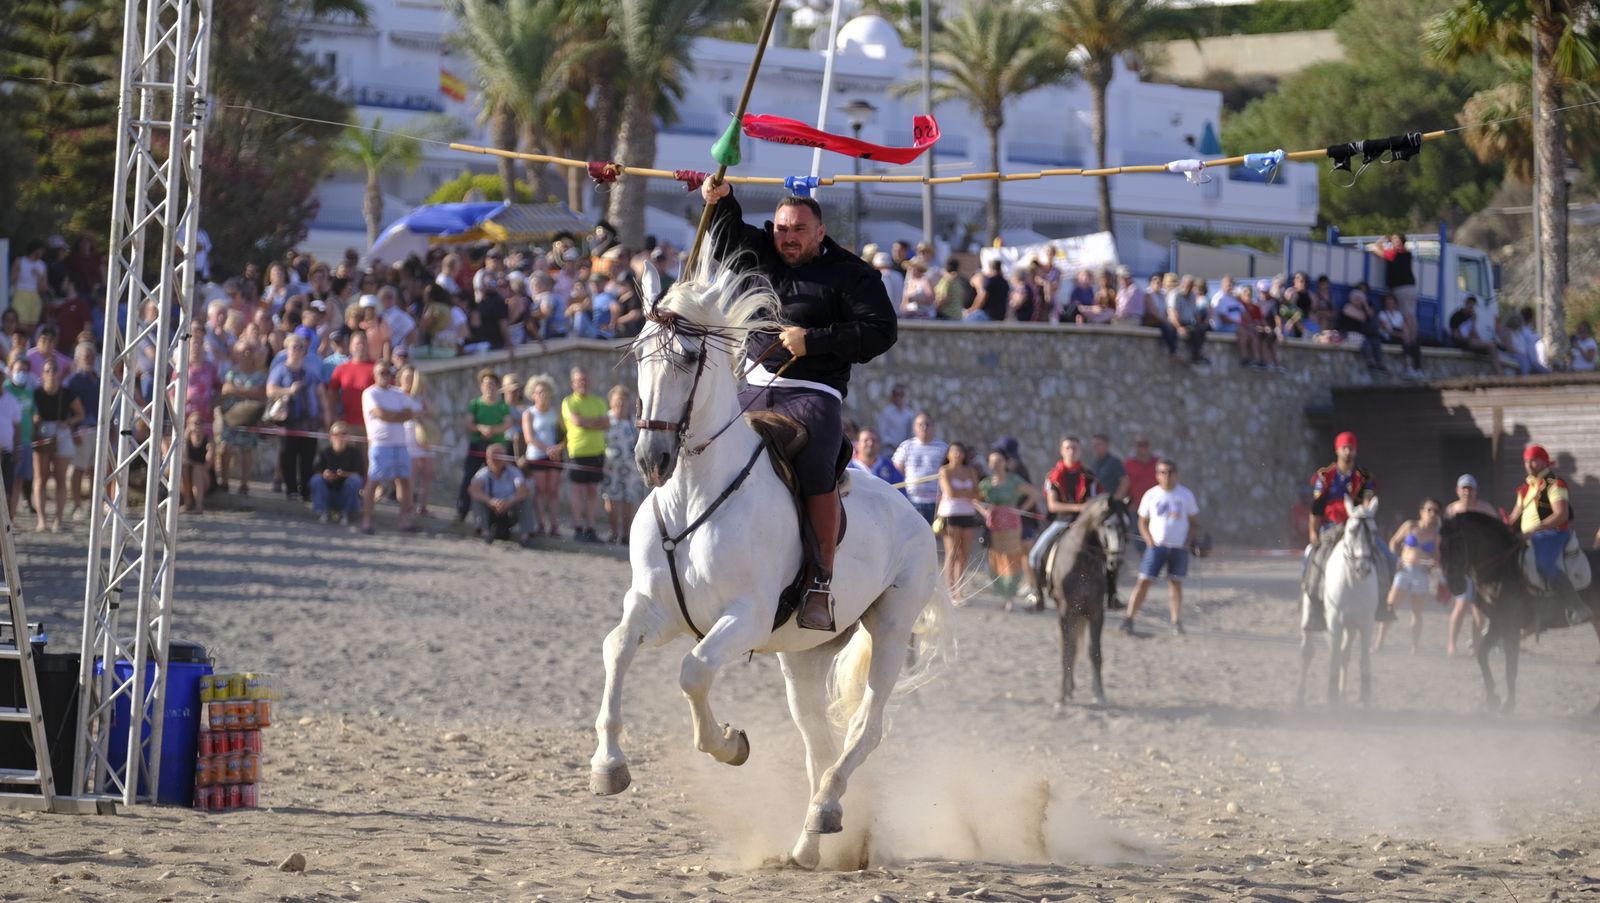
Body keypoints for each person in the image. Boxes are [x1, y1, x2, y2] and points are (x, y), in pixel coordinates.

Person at [702, 179, 898, 632]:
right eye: (782, 229)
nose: (788, 238)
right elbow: (727, 235)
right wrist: (721, 198)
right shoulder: (761, 250)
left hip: (814, 391)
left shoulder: (852, 274)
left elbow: (881, 331)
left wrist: (815, 341)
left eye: (799, 230)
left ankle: (819, 581)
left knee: (815, 466)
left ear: (820, 232)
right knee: (704, 441)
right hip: (752, 385)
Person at [1303, 431, 1388, 626]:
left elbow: (1367, 501)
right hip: (1331, 528)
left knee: (1386, 558)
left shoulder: (1364, 477)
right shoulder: (1325, 477)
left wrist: (1363, 513)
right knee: (1313, 559)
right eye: (1344, 448)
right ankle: (1314, 603)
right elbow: (1317, 507)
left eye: (1351, 448)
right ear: (1337, 450)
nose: (1348, 452)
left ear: (1356, 451)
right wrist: (1313, 532)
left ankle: (1383, 603)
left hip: (1358, 527)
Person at [1508, 444, 1588, 629]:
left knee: (1544, 564)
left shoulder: (1555, 483)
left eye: (1534, 460)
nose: (1529, 465)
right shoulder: (1524, 489)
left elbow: (1561, 515)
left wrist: (1534, 530)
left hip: (1552, 533)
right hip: (1528, 536)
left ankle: (1578, 606)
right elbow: (1513, 517)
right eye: (1526, 461)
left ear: (1545, 461)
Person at [1122, 458, 1200, 636]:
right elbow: (1142, 522)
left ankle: (1175, 621)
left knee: (1175, 583)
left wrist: (1188, 541)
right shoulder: (1151, 495)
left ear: (1176, 474)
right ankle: (1129, 618)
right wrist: (1149, 540)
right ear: (1157, 475)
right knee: (1143, 581)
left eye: (1170, 472)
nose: (1167, 476)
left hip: (1178, 548)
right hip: (1156, 546)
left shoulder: (1186, 495)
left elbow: (1194, 522)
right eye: (1163, 472)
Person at [1024, 436, 1098, 610]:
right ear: (1061, 451)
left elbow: (1093, 502)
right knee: (1034, 555)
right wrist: (1079, 507)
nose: (1071, 451)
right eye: (1068, 448)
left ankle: (1111, 592)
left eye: (1074, 448)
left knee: (1109, 552)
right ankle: (1037, 593)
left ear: (1079, 451)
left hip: (1084, 523)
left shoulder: (1089, 477)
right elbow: (1053, 505)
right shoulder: (1053, 476)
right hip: (1061, 522)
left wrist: (1086, 511)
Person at [1376, 498, 1442, 654]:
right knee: (1390, 607)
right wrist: (1395, 559)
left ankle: (1414, 646)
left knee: (1417, 612)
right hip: (1404, 570)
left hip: (1421, 573)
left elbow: (1437, 557)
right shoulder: (1410, 526)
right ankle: (1379, 643)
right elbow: (1394, 541)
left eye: (1436, 511)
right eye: (1429, 510)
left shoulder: (1436, 535)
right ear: (1421, 511)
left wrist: (1433, 564)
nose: (1432, 514)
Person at [360, 360, 418, 534]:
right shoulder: (370, 393)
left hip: (400, 444)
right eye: (382, 372)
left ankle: (404, 520)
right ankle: (367, 520)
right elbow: (381, 414)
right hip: (381, 444)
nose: (386, 376)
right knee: (373, 481)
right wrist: (397, 416)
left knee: (405, 481)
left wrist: (391, 416)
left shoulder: (398, 393)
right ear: (375, 375)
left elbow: (410, 413)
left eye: (388, 372)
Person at [977, 449, 1038, 608]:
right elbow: (974, 499)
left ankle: (1010, 596)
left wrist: (1021, 509)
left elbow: (1033, 494)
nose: (996, 464)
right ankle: (1003, 595)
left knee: (1012, 559)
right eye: (992, 462)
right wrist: (985, 512)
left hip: (1012, 525)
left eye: (999, 461)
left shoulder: (1013, 480)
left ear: (1005, 462)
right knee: (996, 559)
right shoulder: (987, 483)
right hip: (994, 525)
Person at [1443, 474, 1496, 656]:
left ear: (1475, 491)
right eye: (1464, 489)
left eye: (1470, 489)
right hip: (1462, 566)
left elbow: (1497, 531)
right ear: (1458, 491)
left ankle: (1477, 646)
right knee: (1460, 606)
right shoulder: (1451, 510)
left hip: (1482, 565)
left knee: (1480, 611)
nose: (1467, 492)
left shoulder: (1485, 509)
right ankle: (1451, 645)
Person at [266, 335, 323, 502]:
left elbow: (321, 393)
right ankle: (291, 489)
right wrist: (289, 391)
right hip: (288, 420)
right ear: (287, 349)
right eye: (294, 347)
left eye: (301, 347)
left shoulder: (310, 372)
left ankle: (305, 490)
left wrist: (324, 414)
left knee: (308, 457)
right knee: (288, 456)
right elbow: (270, 390)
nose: (298, 350)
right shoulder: (280, 370)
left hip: (308, 421)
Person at [31, 358, 85, 532]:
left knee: (60, 478)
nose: (51, 374)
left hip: (61, 433)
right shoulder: (36, 393)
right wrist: (34, 419)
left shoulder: (67, 393)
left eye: (54, 370)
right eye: (47, 370)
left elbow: (80, 414)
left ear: (60, 374)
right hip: (42, 433)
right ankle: (41, 520)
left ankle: (58, 520)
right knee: (41, 477)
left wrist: (68, 422)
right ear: (42, 374)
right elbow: (28, 412)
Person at [560, 367, 609, 543]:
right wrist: (595, 422)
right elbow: (577, 422)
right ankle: (578, 527)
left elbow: (606, 423)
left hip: (597, 452)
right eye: (579, 380)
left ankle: (591, 528)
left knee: (593, 492)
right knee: (577, 491)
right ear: (572, 383)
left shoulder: (599, 401)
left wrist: (588, 423)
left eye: (585, 380)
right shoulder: (569, 401)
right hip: (578, 452)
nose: (583, 383)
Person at [457, 367, 513, 521]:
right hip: (478, 445)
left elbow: (507, 424)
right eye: (486, 384)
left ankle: (499, 516)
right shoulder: (475, 404)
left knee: (498, 480)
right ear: (481, 386)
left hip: (497, 448)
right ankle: (462, 511)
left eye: (492, 384)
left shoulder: (502, 406)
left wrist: (492, 430)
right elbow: (468, 423)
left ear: (497, 386)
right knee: (469, 477)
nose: (489, 387)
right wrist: (480, 428)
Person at [1367, 234, 1422, 377]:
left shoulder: (1394, 253)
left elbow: (1376, 248)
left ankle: (1409, 348)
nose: (1392, 243)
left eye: (1394, 240)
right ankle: (1414, 349)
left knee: (1406, 320)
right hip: (1411, 287)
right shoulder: (1407, 254)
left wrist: (1383, 239)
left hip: (1401, 288)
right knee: (1412, 318)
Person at [936, 443, 982, 604]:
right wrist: (968, 494)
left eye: (960, 451)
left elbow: (978, 493)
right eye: (954, 451)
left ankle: (959, 590)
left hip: (967, 514)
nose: (957, 454)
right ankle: (949, 590)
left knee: (964, 554)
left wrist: (965, 494)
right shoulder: (944, 471)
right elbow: (951, 492)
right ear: (948, 454)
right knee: (952, 552)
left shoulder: (970, 471)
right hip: (950, 514)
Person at [520, 374, 564, 535]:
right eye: (538, 392)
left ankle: (554, 525)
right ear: (533, 395)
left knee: (553, 491)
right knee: (540, 490)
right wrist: (547, 449)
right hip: (537, 455)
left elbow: (565, 434)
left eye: (545, 391)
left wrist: (558, 448)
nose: (542, 394)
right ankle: (540, 523)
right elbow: (529, 438)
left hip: (555, 456)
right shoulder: (529, 413)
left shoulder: (556, 412)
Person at [601, 385, 645, 544]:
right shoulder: (606, 420)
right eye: (617, 400)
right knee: (611, 500)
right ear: (611, 402)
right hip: (611, 467)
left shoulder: (634, 422)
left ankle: (626, 535)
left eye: (623, 401)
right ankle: (613, 532)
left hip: (631, 469)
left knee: (629, 500)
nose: (620, 404)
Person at [468, 442, 532, 545]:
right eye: (494, 456)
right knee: (477, 501)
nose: (496, 460)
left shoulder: (514, 472)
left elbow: (524, 490)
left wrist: (509, 502)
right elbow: (473, 490)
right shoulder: (483, 474)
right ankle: (484, 533)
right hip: (491, 511)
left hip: (509, 510)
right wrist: (491, 501)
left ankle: (525, 536)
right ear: (487, 459)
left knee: (525, 502)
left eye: (499, 456)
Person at [892, 412, 947, 524]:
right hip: (912, 500)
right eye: (920, 424)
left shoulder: (943, 447)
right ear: (914, 427)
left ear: (933, 426)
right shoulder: (906, 446)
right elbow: (897, 468)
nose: (924, 427)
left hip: (936, 502)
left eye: (927, 424)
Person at [398, 364, 438, 519]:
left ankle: (423, 505)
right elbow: (405, 414)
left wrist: (423, 394)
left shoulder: (419, 397)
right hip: (408, 435)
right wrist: (419, 413)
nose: (409, 380)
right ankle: (409, 505)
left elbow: (432, 412)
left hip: (424, 436)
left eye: (412, 378)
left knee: (428, 471)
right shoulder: (397, 395)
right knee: (412, 472)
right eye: (406, 377)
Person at [64, 343, 99, 519]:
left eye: (92, 356)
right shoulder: (72, 381)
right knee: (78, 468)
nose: (90, 360)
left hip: (98, 428)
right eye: (86, 356)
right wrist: (73, 431)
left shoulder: (98, 379)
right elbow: (67, 410)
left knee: (95, 469)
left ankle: (94, 504)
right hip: (81, 430)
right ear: (78, 359)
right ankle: (77, 504)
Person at [309, 421, 364, 524]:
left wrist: (343, 474)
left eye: (343, 434)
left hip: (346, 493)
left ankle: (346, 513)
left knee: (355, 480)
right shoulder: (324, 452)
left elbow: (359, 473)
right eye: (336, 434)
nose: (340, 437)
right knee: (316, 480)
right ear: (330, 437)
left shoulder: (354, 453)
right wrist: (326, 475)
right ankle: (323, 512)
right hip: (328, 493)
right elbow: (317, 471)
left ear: (348, 437)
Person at [179, 412, 212, 515]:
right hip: (188, 477)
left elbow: (208, 464)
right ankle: (187, 502)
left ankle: (199, 506)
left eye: (201, 422)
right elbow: (183, 458)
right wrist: (185, 437)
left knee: (197, 469)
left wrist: (193, 464)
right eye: (195, 422)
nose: (198, 425)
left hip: (204, 477)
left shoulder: (208, 440)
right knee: (184, 467)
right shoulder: (186, 440)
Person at [876, 384, 914, 451]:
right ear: (892, 396)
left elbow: (911, 433)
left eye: (901, 394)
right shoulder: (886, 413)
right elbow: (883, 433)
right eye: (896, 394)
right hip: (889, 450)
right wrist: (893, 446)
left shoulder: (909, 414)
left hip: (906, 450)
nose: (898, 397)